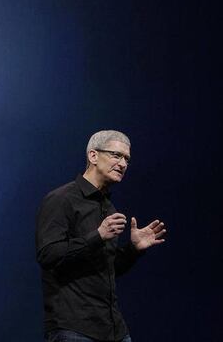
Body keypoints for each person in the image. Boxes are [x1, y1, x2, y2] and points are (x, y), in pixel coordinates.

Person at [35, 130, 166, 342]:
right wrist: (97, 235)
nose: (123, 164)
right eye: (116, 155)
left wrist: (133, 250)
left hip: (114, 329)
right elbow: (48, 255)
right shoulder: (61, 199)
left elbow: (108, 269)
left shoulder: (109, 208)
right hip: (74, 328)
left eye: (127, 159)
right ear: (93, 156)